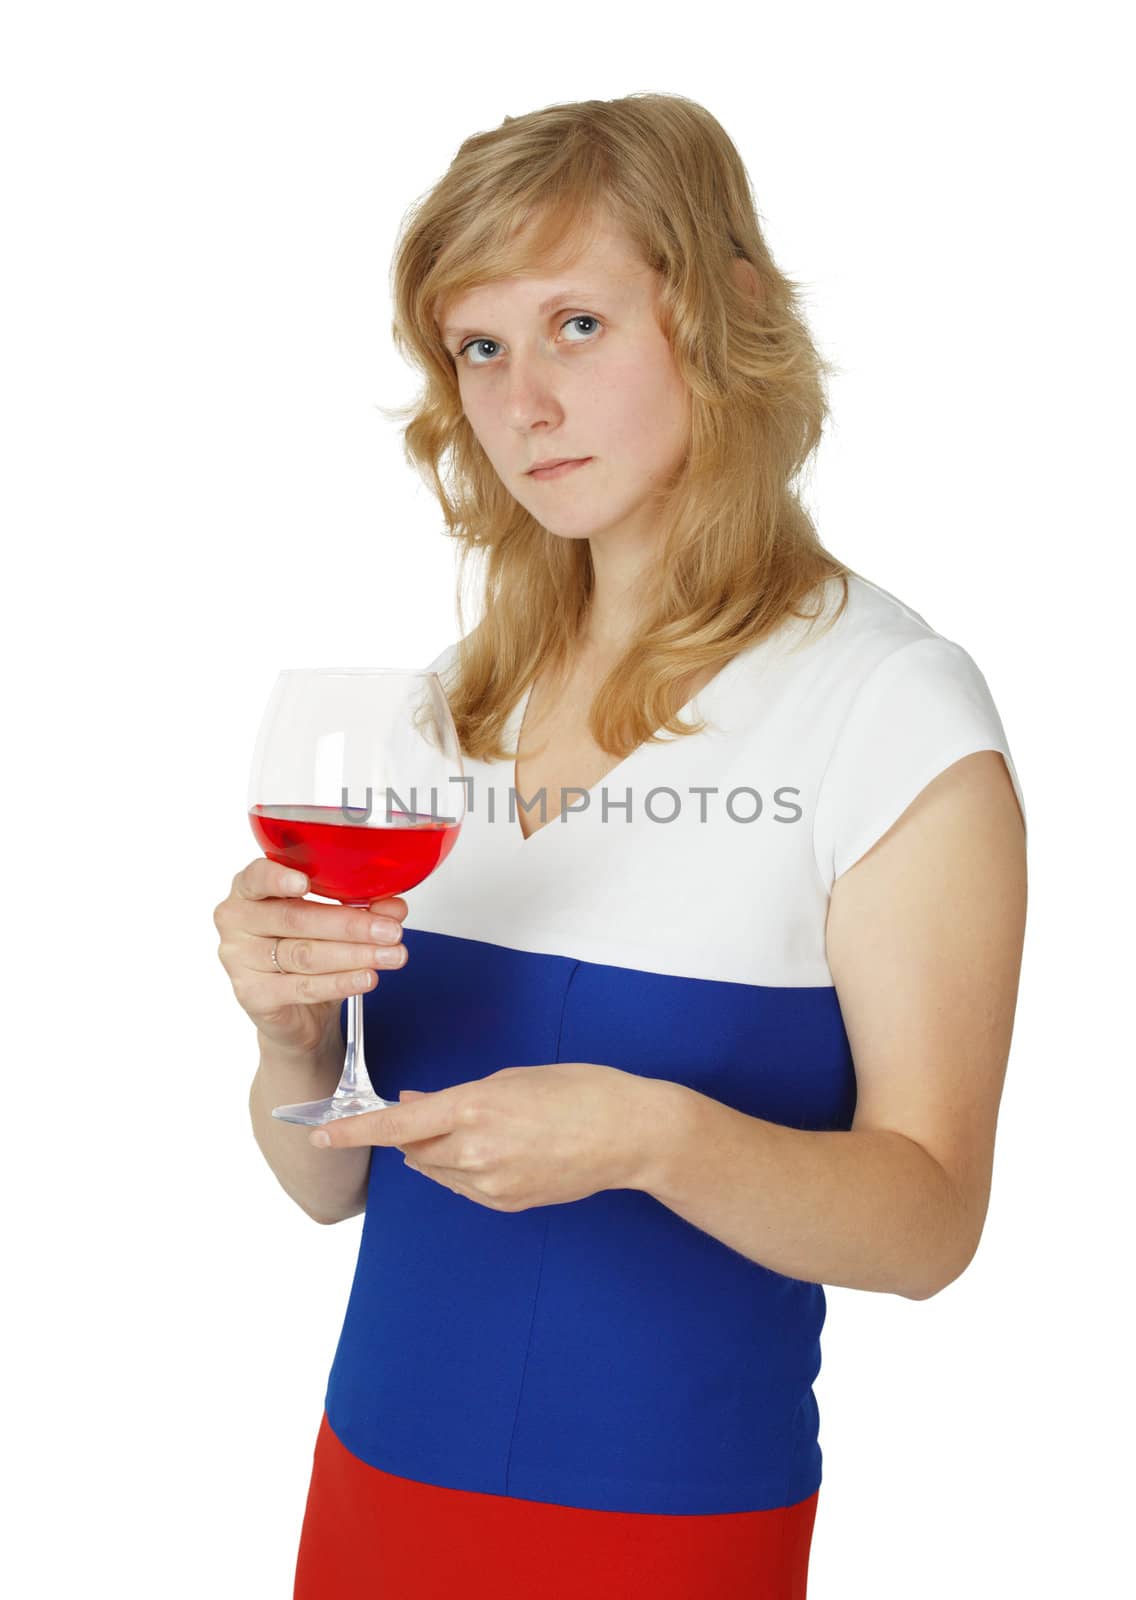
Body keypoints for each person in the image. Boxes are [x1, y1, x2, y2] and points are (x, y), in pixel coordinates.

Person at [215, 93, 1028, 1599]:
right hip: (371, 1482)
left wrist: (657, 1139)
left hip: (667, 1526)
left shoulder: (888, 710)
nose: (522, 401)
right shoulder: (452, 709)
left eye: (576, 324)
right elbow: (333, 1187)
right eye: (480, 347)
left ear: (726, 317)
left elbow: (931, 1227)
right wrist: (292, 1034)